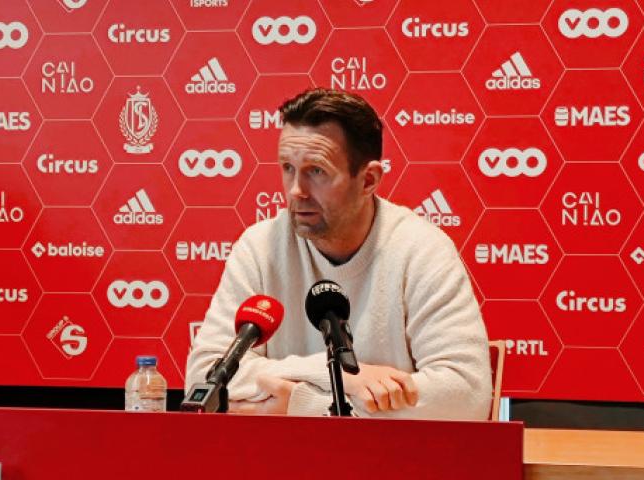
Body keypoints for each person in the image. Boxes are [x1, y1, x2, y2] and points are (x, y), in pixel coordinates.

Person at [185, 88, 491, 419]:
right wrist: (340, 376)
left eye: (317, 171)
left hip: (387, 454)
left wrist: (304, 405)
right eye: (287, 168)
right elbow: (205, 378)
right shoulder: (259, 248)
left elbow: (465, 395)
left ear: (368, 180)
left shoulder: (422, 250)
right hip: (282, 454)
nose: (296, 190)